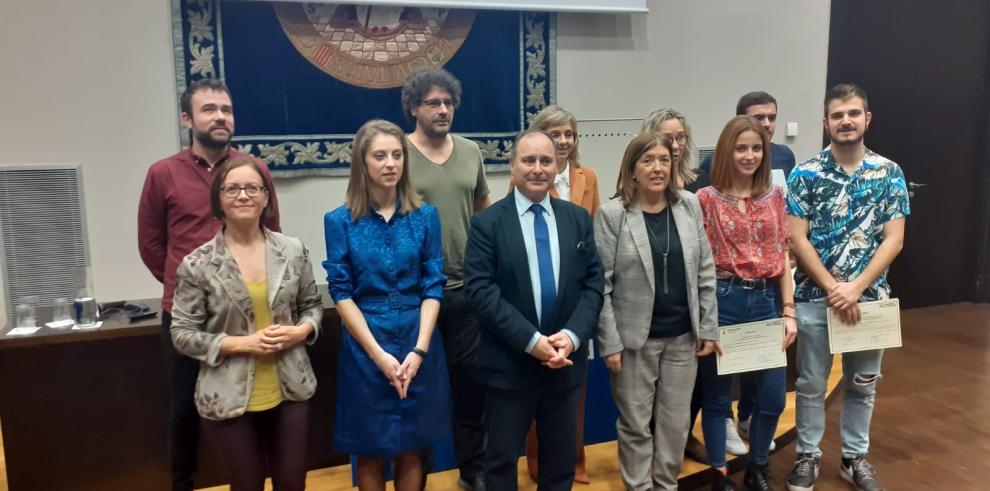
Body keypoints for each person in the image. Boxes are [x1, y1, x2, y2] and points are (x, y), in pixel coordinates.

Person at [137, 78, 281, 491]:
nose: (220, 117)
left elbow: (272, 232)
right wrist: (188, 291)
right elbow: (151, 245)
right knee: (183, 407)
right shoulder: (163, 174)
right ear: (188, 119)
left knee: (253, 402)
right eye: (209, 110)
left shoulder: (254, 171)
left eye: (226, 110)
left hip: (247, 312)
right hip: (187, 317)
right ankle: (183, 483)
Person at [464, 129, 604, 491]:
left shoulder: (577, 219)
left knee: (560, 465)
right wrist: (530, 341)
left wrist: (571, 337)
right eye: (529, 160)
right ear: (512, 166)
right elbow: (480, 291)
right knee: (501, 463)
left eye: (546, 161)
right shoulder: (487, 223)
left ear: (557, 166)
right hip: (509, 366)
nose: (538, 168)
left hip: (564, 366)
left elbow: (593, 284)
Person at [170, 157, 321, 491]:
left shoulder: (292, 250)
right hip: (228, 396)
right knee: (247, 485)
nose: (243, 195)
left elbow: (311, 306)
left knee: (292, 485)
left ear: (266, 197)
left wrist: (301, 330)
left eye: (253, 188)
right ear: (218, 199)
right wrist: (241, 344)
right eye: (232, 189)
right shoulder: (197, 264)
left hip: (290, 388)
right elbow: (181, 334)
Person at [785, 84, 908, 491]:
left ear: (866, 119)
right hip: (814, 298)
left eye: (853, 113)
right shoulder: (805, 174)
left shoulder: (889, 172)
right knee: (810, 384)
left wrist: (855, 287)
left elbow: (894, 239)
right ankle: (807, 455)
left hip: (869, 301)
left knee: (863, 384)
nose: (846, 121)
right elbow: (797, 239)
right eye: (837, 115)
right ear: (826, 123)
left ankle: (855, 458)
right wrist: (834, 287)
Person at [323, 119, 451, 491]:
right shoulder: (339, 221)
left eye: (397, 155)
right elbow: (342, 292)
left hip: (418, 337)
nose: (390, 163)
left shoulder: (426, 216)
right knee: (370, 447)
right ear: (362, 162)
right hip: (367, 342)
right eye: (380, 156)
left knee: (413, 446)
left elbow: (433, 286)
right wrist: (378, 355)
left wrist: (420, 349)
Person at [595, 132, 718, 490]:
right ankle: (638, 486)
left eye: (664, 160)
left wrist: (708, 327)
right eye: (648, 160)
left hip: (683, 338)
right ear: (632, 169)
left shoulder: (690, 205)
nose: (658, 167)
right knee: (635, 425)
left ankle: (666, 484)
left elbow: (705, 270)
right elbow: (601, 285)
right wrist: (610, 342)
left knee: (676, 424)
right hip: (635, 341)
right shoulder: (613, 215)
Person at [695, 116, 799, 490]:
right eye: (741, 148)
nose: (750, 155)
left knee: (772, 396)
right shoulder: (703, 200)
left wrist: (789, 311)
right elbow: (697, 268)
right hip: (722, 302)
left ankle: (757, 466)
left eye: (757, 148)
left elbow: (782, 255)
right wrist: (704, 322)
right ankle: (720, 472)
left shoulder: (774, 196)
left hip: (765, 303)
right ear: (726, 151)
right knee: (718, 399)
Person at [403, 68, 490, 491]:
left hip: (467, 291)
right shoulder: (396, 153)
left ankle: (472, 472)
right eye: (433, 103)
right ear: (414, 108)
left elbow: (482, 211)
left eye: (448, 102)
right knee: (420, 389)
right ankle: (418, 474)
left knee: (471, 387)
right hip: (415, 295)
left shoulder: (471, 151)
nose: (442, 110)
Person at [515, 104, 600, 484]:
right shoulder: (528, 177)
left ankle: (575, 461)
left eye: (569, 133)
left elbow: (594, 233)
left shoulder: (588, 176)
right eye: (555, 133)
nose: (563, 140)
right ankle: (536, 461)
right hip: (539, 298)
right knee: (539, 390)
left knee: (574, 387)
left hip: (577, 299)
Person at [700, 91, 797, 177]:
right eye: (759, 118)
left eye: (772, 118)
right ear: (741, 121)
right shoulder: (715, 161)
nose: (767, 124)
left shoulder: (785, 155)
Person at [641, 108, 704, 190]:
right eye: (666, 139)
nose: (675, 146)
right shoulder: (636, 193)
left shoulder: (702, 180)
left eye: (680, 137)